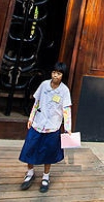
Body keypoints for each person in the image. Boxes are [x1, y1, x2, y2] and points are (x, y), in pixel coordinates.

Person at [18, 61, 72, 193]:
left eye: (58, 73)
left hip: (53, 126)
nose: (55, 76)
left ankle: (46, 176)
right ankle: (30, 173)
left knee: (48, 152)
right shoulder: (43, 85)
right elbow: (36, 102)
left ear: (62, 75)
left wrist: (68, 126)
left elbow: (66, 109)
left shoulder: (64, 90)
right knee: (30, 148)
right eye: (54, 72)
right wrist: (31, 118)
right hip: (38, 123)